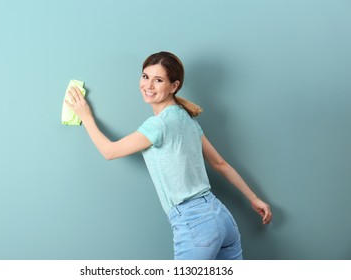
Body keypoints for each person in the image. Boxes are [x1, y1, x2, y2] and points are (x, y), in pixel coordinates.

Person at [65, 51, 272, 260]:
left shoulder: (158, 125)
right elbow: (220, 164)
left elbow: (109, 151)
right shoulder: (187, 119)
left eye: (158, 80)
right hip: (221, 217)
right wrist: (253, 198)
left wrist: (86, 116)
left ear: (174, 86)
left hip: (194, 223)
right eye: (145, 77)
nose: (148, 86)